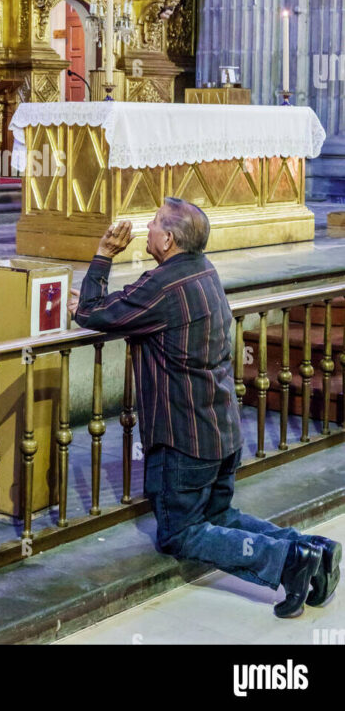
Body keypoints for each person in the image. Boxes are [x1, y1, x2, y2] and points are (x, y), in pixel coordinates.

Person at [68, 199, 341, 617]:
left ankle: (288, 563)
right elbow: (120, 307)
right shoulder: (204, 270)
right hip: (222, 428)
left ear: (169, 239)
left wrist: (103, 256)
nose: (148, 226)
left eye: (155, 222)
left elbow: (92, 313)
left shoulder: (163, 285)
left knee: (180, 533)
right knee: (220, 515)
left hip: (184, 435)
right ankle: (313, 552)